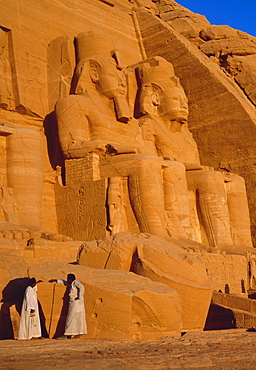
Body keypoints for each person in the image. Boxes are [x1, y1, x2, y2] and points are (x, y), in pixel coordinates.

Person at [49, 274, 87, 339]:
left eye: (68, 279)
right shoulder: (71, 284)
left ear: (70, 279)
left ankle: (68, 333)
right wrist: (56, 280)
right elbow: (64, 282)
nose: (67, 280)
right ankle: (74, 334)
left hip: (76, 302)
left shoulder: (75, 283)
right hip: (74, 302)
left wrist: (79, 296)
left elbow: (82, 287)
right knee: (76, 318)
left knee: (71, 317)